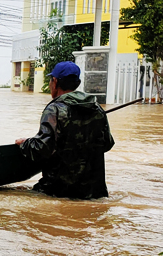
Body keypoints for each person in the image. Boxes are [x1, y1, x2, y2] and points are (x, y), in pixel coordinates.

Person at [15, 61, 115, 199]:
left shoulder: (54, 109)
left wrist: (25, 143)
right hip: (94, 192)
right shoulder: (96, 108)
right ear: (77, 83)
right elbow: (107, 143)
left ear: (55, 82)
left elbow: (43, 148)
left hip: (58, 191)